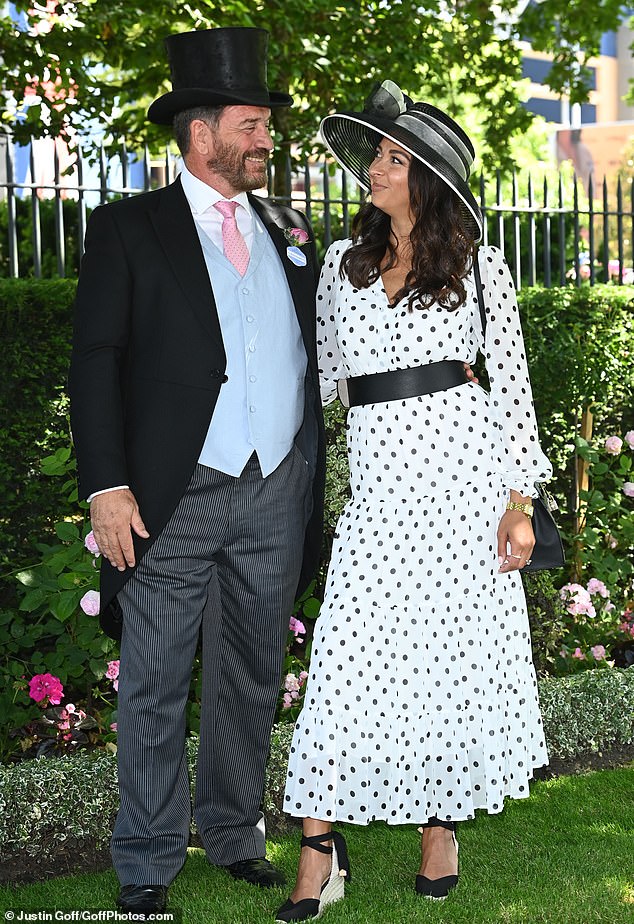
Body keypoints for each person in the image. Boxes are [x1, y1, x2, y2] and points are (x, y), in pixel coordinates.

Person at [275, 80, 553, 922]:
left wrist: (518, 501)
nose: (376, 169)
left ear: (428, 179)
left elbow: (510, 386)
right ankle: (318, 851)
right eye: (378, 155)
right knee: (342, 667)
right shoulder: (339, 266)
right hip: (382, 492)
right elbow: (318, 380)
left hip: (463, 484)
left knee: (448, 662)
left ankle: (441, 828)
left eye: (394, 159)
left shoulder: (477, 264)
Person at [68, 27, 325, 916]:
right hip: (170, 493)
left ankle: (232, 833)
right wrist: (106, 486)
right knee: (154, 678)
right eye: (252, 125)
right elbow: (94, 360)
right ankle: (144, 858)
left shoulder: (292, 229)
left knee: (254, 671)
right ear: (201, 131)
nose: (266, 142)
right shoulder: (129, 228)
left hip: (276, 487)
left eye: (266, 126)